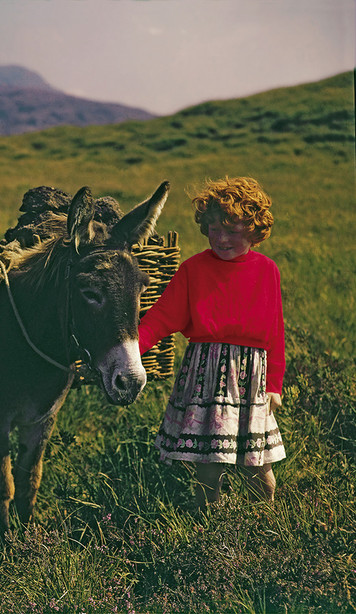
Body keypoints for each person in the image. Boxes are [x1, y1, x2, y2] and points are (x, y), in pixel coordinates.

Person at [138, 176, 286, 510]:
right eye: (213, 229)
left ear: (254, 230)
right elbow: (161, 318)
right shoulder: (193, 269)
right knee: (208, 464)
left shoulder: (267, 271)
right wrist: (130, 350)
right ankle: (206, 520)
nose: (220, 238)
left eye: (232, 231)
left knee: (259, 468)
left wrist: (274, 384)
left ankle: (265, 524)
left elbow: (276, 333)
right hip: (207, 376)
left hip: (252, 380)